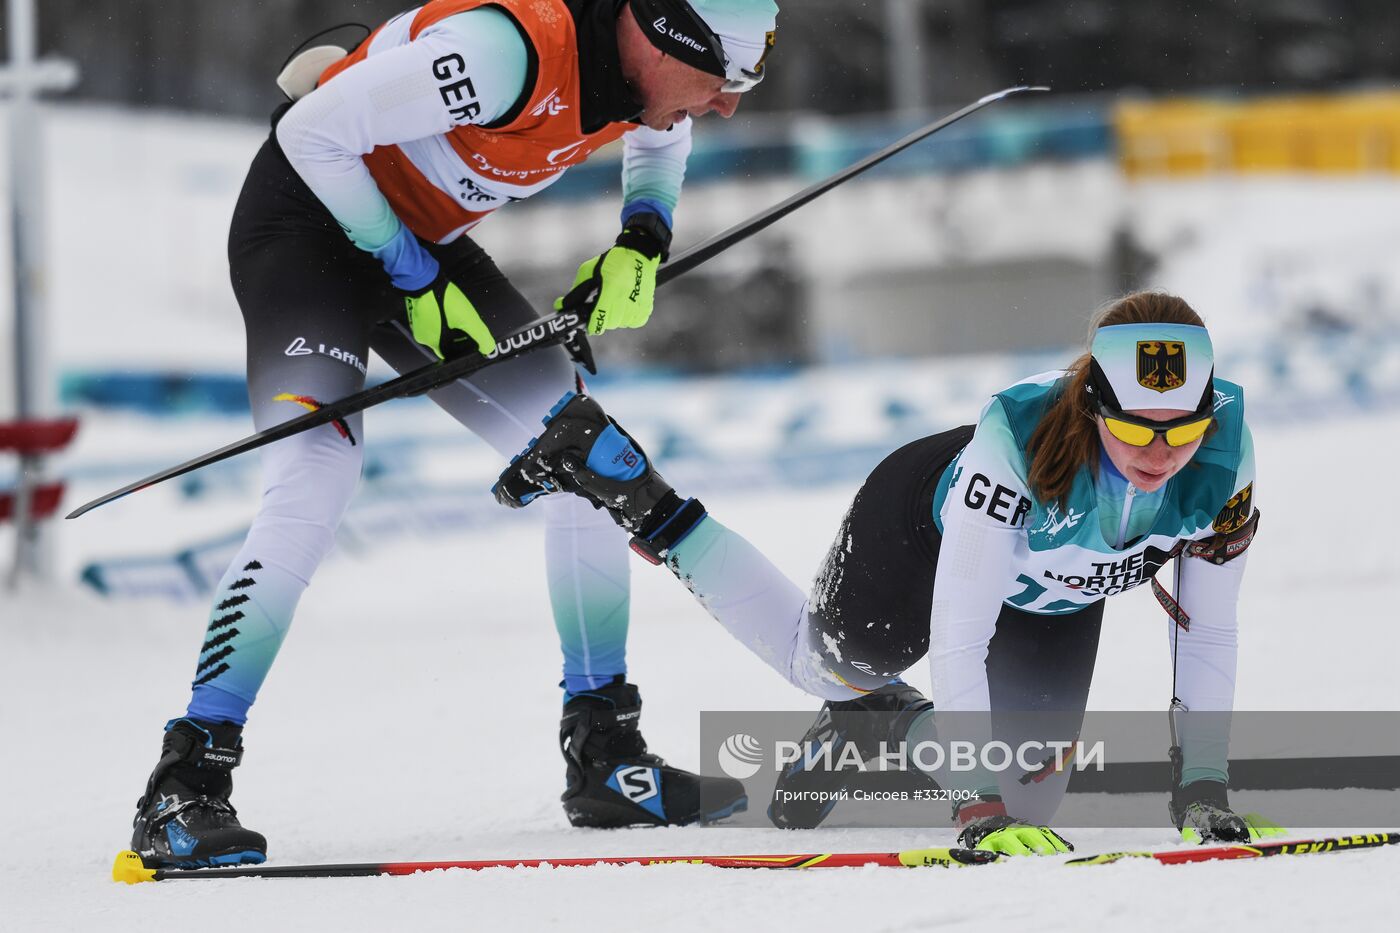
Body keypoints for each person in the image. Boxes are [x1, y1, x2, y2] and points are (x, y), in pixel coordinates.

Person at [129, 0, 781, 869]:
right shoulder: (504, 54)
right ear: (668, 37)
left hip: (418, 245)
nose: (727, 106)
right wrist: (407, 272)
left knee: (582, 453)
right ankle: (185, 781)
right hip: (305, 230)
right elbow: (309, 136)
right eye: (723, 81)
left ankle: (604, 754)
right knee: (317, 474)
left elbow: (662, 135)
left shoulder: (640, 77)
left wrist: (642, 238)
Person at [496, 291, 1282, 854]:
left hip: (1056, 590)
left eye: (1182, 428)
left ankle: (875, 716)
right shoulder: (1012, 448)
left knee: (1035, 796)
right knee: (827, 663)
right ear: (1090, 406)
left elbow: (1208, 628)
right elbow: (960, 636)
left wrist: (1203, 788)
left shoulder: (1224, 457)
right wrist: (975, 806)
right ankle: (630, 483)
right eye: (1135, 427)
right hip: (921, 533)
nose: (1160, 452)